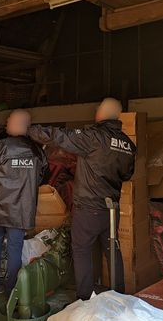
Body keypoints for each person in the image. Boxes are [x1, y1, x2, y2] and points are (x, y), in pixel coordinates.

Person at [27, 97, 136, 300]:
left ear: (100, 114)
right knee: (113, 249)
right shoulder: (128, 145)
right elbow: (127, 175)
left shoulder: (93, 137)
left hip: (89, 207)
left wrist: (30, 130)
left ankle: (85, 299)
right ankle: (119, 297)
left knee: (81, 250)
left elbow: (60, 136)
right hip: (111, 209)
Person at [0, 110, 48, 296]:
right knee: (15, 248)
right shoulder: (37, 151)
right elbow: (40, 177)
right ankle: (12, 289)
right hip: (21, 210)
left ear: (15, 124)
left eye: (9, 120)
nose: (7, 122)